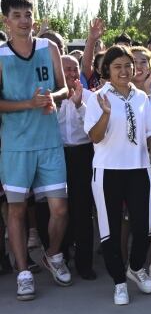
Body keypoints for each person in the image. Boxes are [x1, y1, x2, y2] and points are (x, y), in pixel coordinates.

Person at [0, 0, 72, 301]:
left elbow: (65, 86)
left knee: (60, 208)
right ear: (6, 20)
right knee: (16, 210)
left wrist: (53, 99)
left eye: (28, 14)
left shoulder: (49, 47)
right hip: (16, 146)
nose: (24, 20)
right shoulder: (0, 55)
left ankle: (52, 254)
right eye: (17, 15)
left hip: (49, 143)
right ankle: (24, 273)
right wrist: (27, 104)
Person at [85, 45, 151, 305]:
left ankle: (136, 267)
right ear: (106, 70)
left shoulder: (142, 97)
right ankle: (119, 281)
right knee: (110, 229)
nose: (123, 70)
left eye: (127, 65)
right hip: (108, 171)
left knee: (145, 226)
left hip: (139, 169)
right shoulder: (98, 97)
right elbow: (94, 137)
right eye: (117, 66)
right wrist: (106, 115)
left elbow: (150, 130)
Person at [57, 55, 96, 280]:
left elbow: (92, 128)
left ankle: (84, 263)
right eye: (66, 70)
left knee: (82, 210)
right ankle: (59, 257)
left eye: (74, 69)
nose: (71, 74)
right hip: (57, 154)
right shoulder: (52, 96)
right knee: (58, 208)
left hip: (84, 154)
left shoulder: (90, 96)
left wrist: (79, 104)